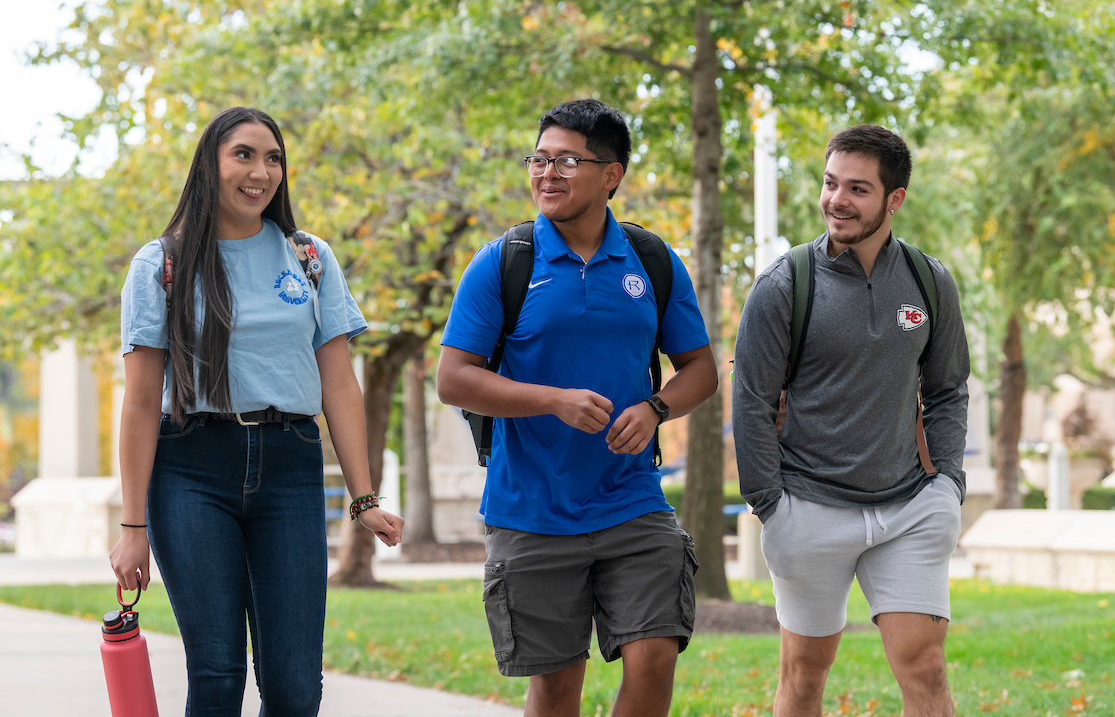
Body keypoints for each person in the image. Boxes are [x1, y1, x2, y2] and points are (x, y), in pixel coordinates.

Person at [110, 106, 404, 716]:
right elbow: (140, 404)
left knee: (295, 686)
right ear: (209, 165)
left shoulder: (309, 257)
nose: (261, 171)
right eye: (243, 154)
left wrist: (365, 498)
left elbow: (339, 385)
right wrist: (132, 529)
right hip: (190, 468)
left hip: (289, 467)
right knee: (217, 672)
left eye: (273, 159)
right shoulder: (159, 264)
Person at [436, 99, 719, 717]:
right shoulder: (503, 263)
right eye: (539, 160)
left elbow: (700, 370)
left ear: (610, 175)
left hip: (632, 501)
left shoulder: (651, 262)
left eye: (566, 161)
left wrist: (656, 409)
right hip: (532, 510)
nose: (547, 174)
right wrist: (553, 401)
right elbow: (453, 379)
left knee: (654, 660)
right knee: (555, 691)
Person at [732, 125, 969, 717]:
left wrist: (948, 486)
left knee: (927, 668)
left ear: (894, 200)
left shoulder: (930, 282)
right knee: (804, 678)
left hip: (909, 509)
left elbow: (947, 390)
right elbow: (752, 400)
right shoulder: (785, 284)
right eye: (831, 183)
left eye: (858, 189)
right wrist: (770, 506)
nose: (837, 200)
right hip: (809, 508)